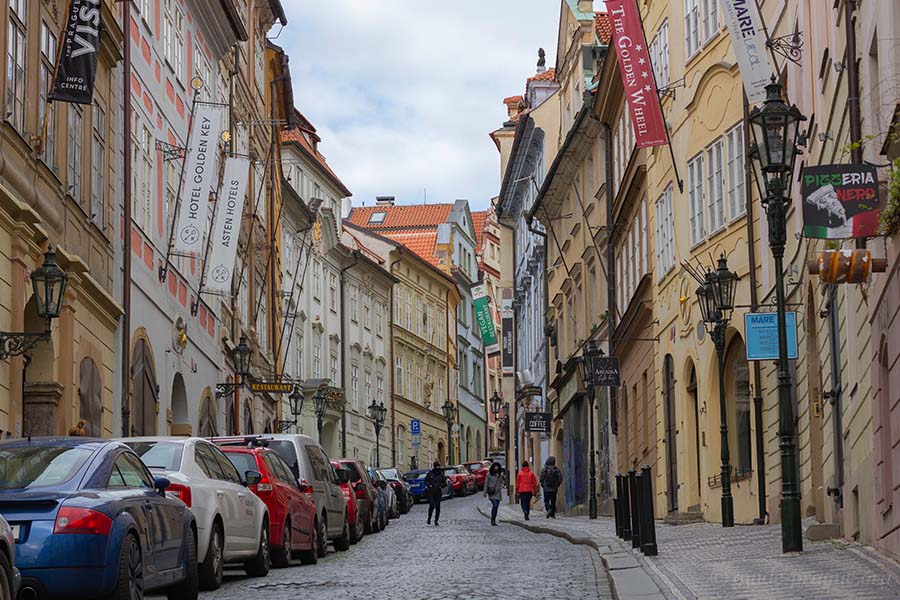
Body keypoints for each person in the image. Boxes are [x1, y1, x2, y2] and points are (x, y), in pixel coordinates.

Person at [424, 461, 446, 526]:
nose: (438, 468)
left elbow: (444, 483)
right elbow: (425, 481)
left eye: (439, 466)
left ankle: (436, 520)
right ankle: (429, 518)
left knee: (438, 507)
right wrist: (429, 485)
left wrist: (441, 485)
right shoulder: (430, 473)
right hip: (430, 492)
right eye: (437, 466)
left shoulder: (441, 474)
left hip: (438, 493)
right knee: (431, 505)